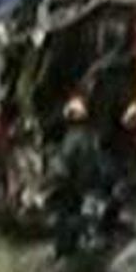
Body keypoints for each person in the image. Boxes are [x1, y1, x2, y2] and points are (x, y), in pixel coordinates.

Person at [47, 94, 119, 259]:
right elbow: (103, 167)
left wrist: (54, 183)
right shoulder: (91, 138)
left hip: (74, 190)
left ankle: (66, 255)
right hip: (90, 190)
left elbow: (63, 170)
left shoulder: (72, 140)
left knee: (65, 226)